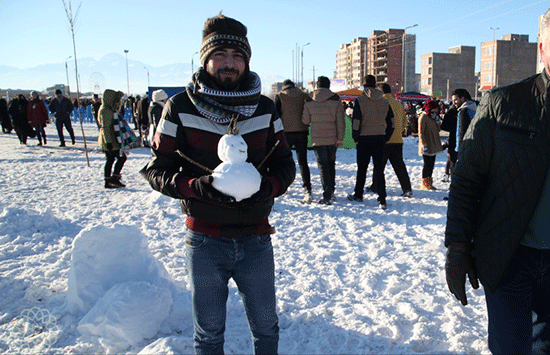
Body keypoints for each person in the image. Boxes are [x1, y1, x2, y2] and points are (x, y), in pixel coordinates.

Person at [141, 13, 295, 354]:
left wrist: (266, 187)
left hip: (256, 238)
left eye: (237, 57)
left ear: (247, 61)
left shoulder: (266, 108)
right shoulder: (179, 107)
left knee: (267, 330)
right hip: (205, 242)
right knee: (208, 334)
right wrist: (196, 187)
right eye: (220, 55)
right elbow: (155, 171)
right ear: (205, 58)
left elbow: (286, 165)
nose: (229, 64)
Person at [445, 8, 550, 353]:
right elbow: (466, 180)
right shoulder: (503, 103)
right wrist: (458, 247)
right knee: (510, 348)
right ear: (543, 49)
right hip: (509, 256)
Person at [347, 75, 394, 210]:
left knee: (362, 168)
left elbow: (356, 123)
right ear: (375, 85)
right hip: (379, 137)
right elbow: (392, 122)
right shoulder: (385, 101)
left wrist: (355, 138)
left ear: (364, 85)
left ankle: (358, 194)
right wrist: (386, 137)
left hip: (363, 138)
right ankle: (382, 199)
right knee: (379, 170)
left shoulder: (360, 100)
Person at [302, 76, 345, 205]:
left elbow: (305, 121)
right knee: (331, 164)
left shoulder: (309, 99)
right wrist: (340, 138)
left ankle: (327, 195)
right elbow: (341, 121)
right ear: (328, 86)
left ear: (317, 86)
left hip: (317, 139)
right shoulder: (335, 99)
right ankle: (331, 191)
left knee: (323, 166)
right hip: (332, 138)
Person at [368, 83, 412, 198]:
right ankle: (407, 188)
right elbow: (404, 122)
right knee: (399, 166)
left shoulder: (380, 103)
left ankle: (375, 186)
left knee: (379, 166)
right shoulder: (398, 104)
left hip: (383, 140)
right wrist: (398, 131)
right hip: (397, 140)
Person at [275, 79, 313, 202]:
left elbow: (276, 116)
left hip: (285, 134)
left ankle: (284, 185)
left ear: (284, 87)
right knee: (303, 162)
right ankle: (307, 188)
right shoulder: (304, 95)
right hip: (302, 132)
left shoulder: (280, 96)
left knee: (283, 162)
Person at [98, 89, 127, 189]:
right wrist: (108, 142)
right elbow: (105, 127)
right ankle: (110, 180)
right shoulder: (105, 110)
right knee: (114, 159)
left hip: (113, 139)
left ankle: (112, 179)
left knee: (115, 159)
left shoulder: (109, 109)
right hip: (109, 140)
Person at [418, 100, 444, 190]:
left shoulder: (432, 117)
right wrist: (423, 144)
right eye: (435, 108)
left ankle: (429, 182)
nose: (437, 110)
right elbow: (420, 132)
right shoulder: (423, 117)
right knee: (427, 165)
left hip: (433, 143)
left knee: (432, 164)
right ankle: (425, 183)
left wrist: (437, 121)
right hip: (427, 144)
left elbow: (438, 129)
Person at [451, 88, 477, 154]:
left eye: (456, 100)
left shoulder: (463, 111)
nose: (453, 103)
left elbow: (462, 131)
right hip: (474, 146)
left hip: (465, 147)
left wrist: (460, 149)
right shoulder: (475, 108)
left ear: (463, 98)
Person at [440, 103, 458, 182]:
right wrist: (456, 129)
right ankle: (451, 179)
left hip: (465, 141)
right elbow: (444, 126)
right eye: (454, 100)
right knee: (451, 162)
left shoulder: (469, 109)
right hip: (453, 141)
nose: (455, 102)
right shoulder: (452, 111)